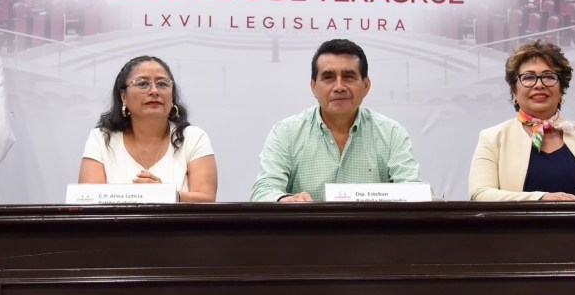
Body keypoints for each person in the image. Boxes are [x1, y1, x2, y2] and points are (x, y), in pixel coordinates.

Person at [251, 38, 423, 202]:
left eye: (349, 76)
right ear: (314, 87)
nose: (339, 87)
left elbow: (414, 190)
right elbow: (264, 190)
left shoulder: (391, 133)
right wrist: (285, 200)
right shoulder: (286, 132)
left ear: (366, 86)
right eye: (329, 77)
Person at [469, 39, 575, 201]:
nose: (539, 84)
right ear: (514, 92)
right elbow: (480, 194)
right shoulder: (493, 138)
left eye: (548, 76)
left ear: (561, 90)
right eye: (529, 77)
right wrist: (542, 199)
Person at [79, 55, 217, 202]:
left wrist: (167, 194)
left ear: (172, 96)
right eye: (143, 83)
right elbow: (88, 200)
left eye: (162, 84)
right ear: (123, 96)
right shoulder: (101, 138)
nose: (154, 91)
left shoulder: (193, 138)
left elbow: (207, 200)